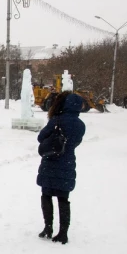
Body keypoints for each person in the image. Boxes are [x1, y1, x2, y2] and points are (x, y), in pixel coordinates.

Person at [37, 91, 86, 245]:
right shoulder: (80, 125)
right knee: (63, 198)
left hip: (50, 161)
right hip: (67, 162)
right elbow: (76, 142)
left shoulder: (56, 119)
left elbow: (41, 137)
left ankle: (48, 227)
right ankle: (63, 233)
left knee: (46, 195)